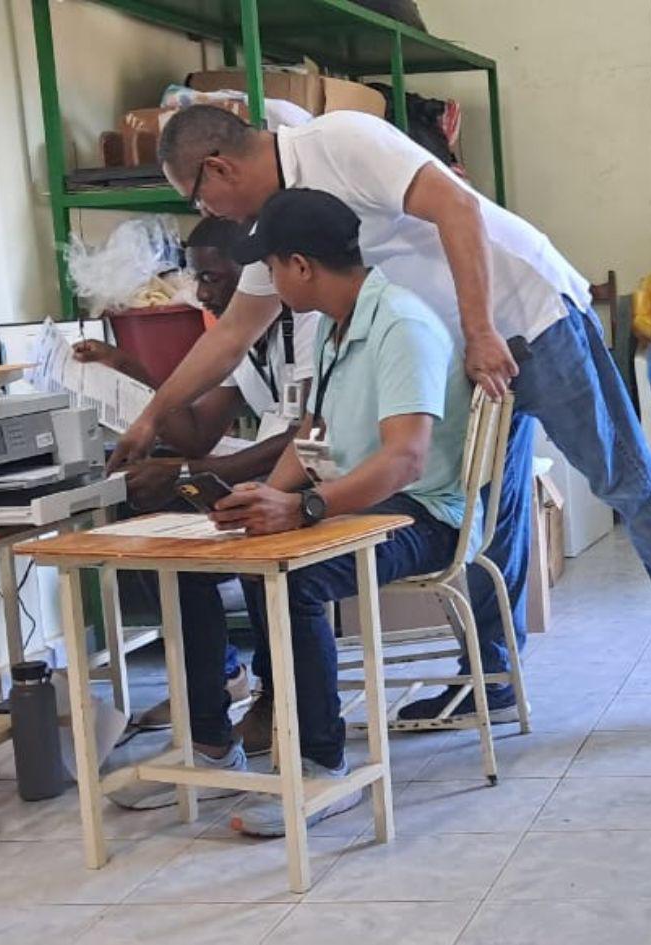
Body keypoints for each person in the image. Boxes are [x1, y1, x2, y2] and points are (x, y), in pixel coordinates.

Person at [110, 105, 651, 713]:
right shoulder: (282, 226)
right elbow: (229, 336)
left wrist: (479, 332)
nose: (203, 210)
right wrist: (148, 419)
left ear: (218, 167)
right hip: (457, 346)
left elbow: (456, 206)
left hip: (526, 319)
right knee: (483, 509)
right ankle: (492, 674)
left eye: (195, 197)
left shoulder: (340, 142)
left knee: (618, 475)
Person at [183, 188, 472, 836]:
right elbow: (310, 436)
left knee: (299, 577)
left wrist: (303, 506)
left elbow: (406, 461)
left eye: (273, 268)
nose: (271, 283)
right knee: (244, 552)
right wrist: (263, 498)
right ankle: (219, 740)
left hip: (426, 514)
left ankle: (323, 765)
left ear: (301, 266)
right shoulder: (336, 327)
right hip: (365, 497)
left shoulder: (400, 324)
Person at [74, 216, 318, 737]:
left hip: (314, 480)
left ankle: (276, 694)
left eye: (213, 278)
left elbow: (313, 435)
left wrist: (191, 472)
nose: (201, 293)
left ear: (259, 277)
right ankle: (211, 690)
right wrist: (129, 368)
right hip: (266, 473)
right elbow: (196, 434)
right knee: (148, 519)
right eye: (197, 278)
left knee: (251, 522)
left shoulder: (308, 324)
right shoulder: (241, 343)